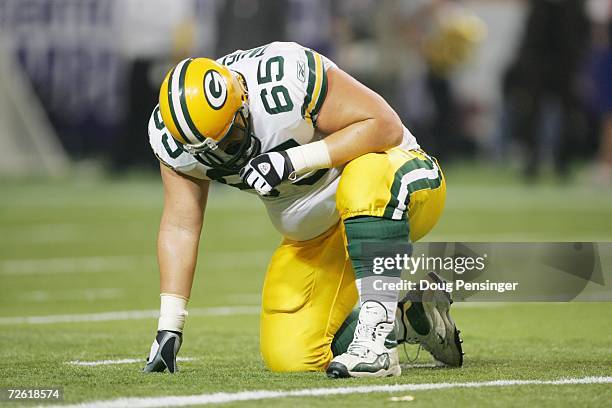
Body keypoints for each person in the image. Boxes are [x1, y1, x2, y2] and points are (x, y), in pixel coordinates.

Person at [143, 41, 462, 378]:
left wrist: (294, 159)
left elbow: (385, 125)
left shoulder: (284, 76)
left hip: (400, 184)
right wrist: (170, 325)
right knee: (291, 353)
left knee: (363, 178)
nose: (224, 154)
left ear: (243, 102)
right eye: (211, 150)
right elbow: (180, 225)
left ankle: (377, 345)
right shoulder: (174, 138)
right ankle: (410, 317)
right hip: (320, 233)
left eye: (231, 139)